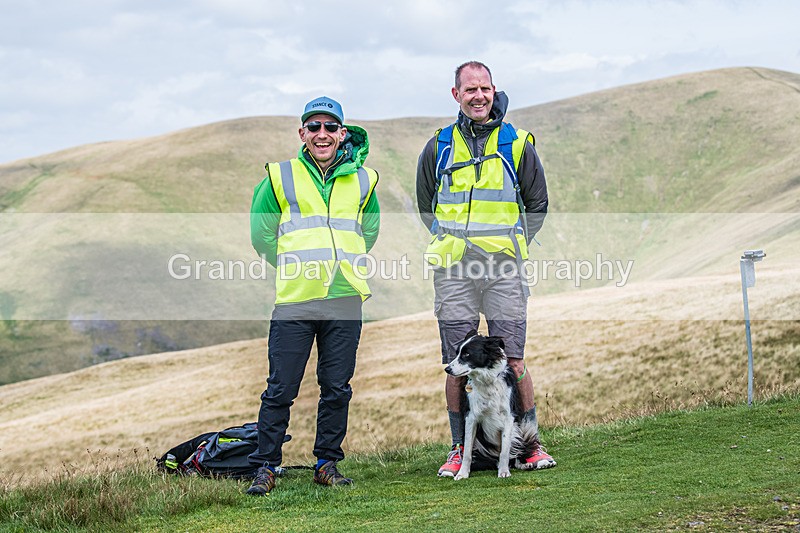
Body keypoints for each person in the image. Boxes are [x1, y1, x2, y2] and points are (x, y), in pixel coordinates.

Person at [415, 61, 555, 476]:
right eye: (470, 89)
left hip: (503, 268)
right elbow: (426, 206)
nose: (478, 96)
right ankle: (461, 450)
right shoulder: (438, 146)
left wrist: (511, 244)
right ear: (456, 94)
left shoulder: (517, 143)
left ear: (494, 91)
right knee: (457, 363)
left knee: (513, 360)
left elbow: (538, 203)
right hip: (454, 269)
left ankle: (529, 445)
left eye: (485, 89)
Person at [246, 96, 379, 495]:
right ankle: (266, 466)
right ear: (302, 133)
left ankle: (326, 464)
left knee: (337, 388)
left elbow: (369, 231)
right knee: (280, 388)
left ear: (342, 133)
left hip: (345, 297)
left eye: (330, 127)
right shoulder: (279, 176)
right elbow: (261, 235)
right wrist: (295, 267)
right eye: (314, 127)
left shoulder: (364, 180)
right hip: (296, 300)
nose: (323, 134)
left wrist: (345, 263)